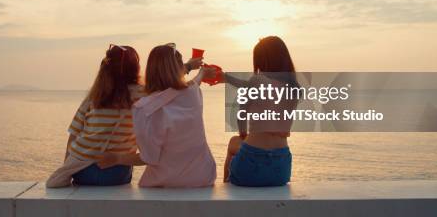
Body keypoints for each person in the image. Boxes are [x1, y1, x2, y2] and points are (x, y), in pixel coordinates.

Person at [97, 43, 217, 187]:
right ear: (178, 68)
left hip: (165, 181)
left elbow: (149, 158)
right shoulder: (193, 93)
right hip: (203, 177)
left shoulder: (143, 109)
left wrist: (116, 158)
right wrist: (202, 73)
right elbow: (193, 83)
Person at [45, 44, 143, 187]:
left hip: (82, 172)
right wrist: (187, 67)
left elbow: (73, 133)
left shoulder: (95, 95)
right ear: (135, 68)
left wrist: (67, 168)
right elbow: (168, 89)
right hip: (116, 174)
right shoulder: (143, 94)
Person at [222, 36, 298, 187]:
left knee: (233, 143)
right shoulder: (294, 88)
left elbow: (241, 116)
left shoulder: (258, 80)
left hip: (252, 164)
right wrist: (225, 78)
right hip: (282, 168)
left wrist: (243, 134)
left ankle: (226, 186)